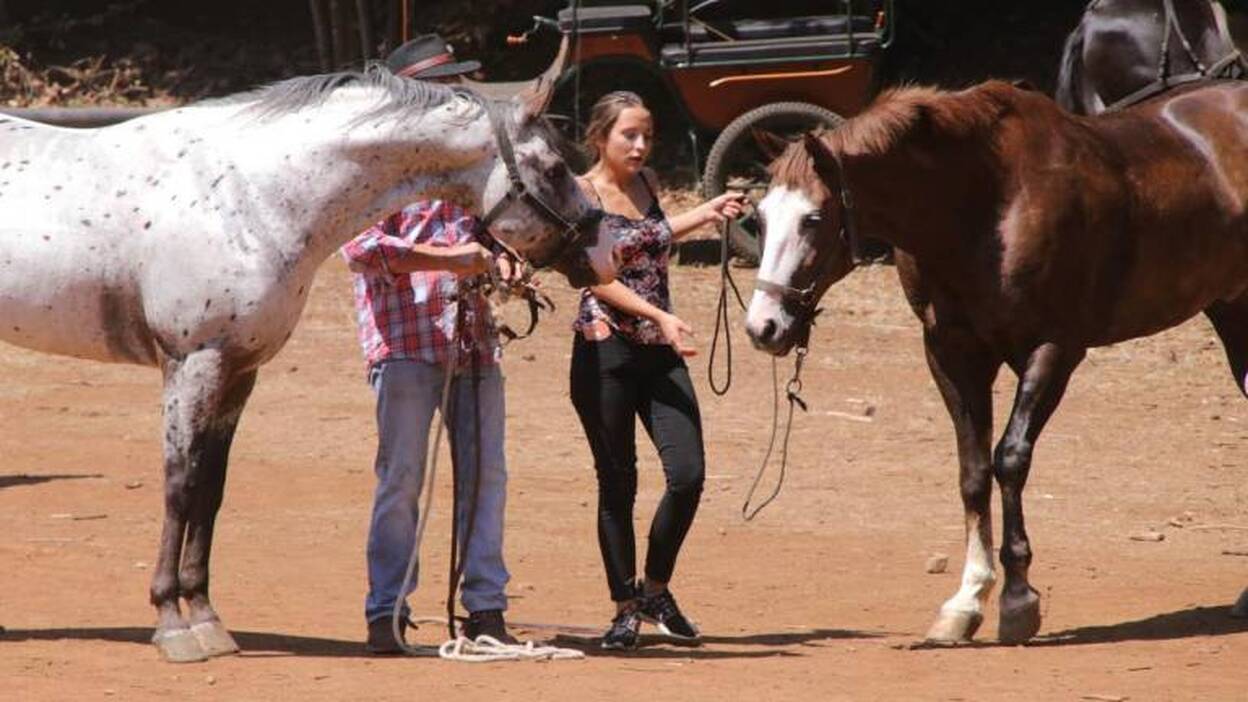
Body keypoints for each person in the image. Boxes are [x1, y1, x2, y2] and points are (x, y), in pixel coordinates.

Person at [342, 33, 518, 655]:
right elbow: (360, 250)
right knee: (401, 478)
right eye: (445, 87)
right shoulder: (379, 170)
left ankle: (486, 607)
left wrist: (505, 262)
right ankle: (386, 607)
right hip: (405, 344)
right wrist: (447, 257)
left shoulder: (476, 167)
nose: (458, 99)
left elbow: (503, 235)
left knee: (485, 477)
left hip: (473, 341)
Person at [569, 91, 745, 650]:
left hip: (659, 350)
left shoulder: (645, 186)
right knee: (617, 482)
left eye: (647, 135)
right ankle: (624, 607)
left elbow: (655, 237)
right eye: (629, 136)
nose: (641, 145)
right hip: (605, 353)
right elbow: (595, 276)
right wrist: (659, 316)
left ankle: (656, 590)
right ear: (601, 137)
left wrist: (708, 212)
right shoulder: (580, 194)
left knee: (688, 475)